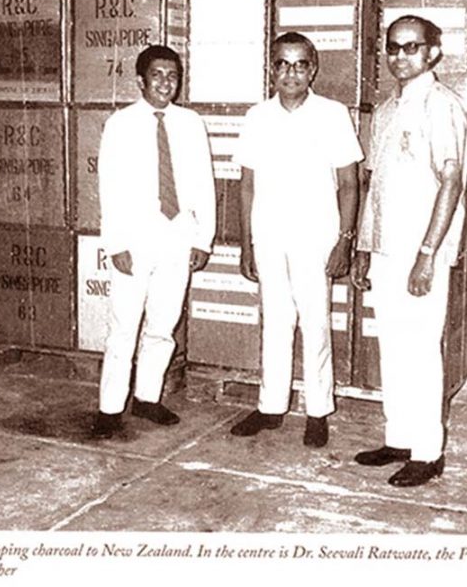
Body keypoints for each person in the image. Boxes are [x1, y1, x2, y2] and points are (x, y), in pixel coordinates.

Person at [230, 32, 364, 448]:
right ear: (271, 69)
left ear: (313, 69)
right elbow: (246, 185)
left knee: (315, 322)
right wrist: (247, 244)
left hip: (316, 237)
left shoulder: (333, 114)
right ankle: (271, 407)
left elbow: (349, 184)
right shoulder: (257, 117)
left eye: (300, 64)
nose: (291, 72)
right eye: (282, 64)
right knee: (275, 321)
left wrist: (344, 240)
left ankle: (318, 410)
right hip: (269, 235)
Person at [351, 15, 467, 486]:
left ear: (433, 52)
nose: (400, 56)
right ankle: (399, 437)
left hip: (422, 252)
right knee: (394, 348)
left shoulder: (442, 106)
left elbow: (451, 182)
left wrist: (426, 254)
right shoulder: (385, 111)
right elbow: (375, 185)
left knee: (420, 350)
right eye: (393, 47)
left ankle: (427, 452)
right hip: (385, 249)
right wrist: (363, 248)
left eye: (411, 47)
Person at [93, 44, 215, 439]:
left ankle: (147, 398)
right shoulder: (121, 124)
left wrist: (203, 239)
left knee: (163, 325)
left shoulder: (190, 123)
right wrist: (116, 244)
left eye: (172, 76)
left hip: (177, 236)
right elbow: (109, 187)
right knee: (123, 327)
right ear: (141, 81)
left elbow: (204, 183)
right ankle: (110, 408)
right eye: (157, 75)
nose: (165, 83)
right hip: (135, 239)